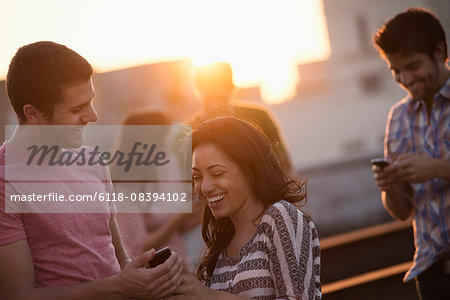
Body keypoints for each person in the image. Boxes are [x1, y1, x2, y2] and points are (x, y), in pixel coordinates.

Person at [0, 41, 183, 299]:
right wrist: (120, 285)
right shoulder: (4, 180)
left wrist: (142, 276)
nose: (93, 116)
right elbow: (17, 295)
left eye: (90, 101)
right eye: (76, 109)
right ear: (33, 113)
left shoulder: (92, 160)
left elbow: (119, 261)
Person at [168, 117, 321, 300]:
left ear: (250, 170)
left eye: (217, 173)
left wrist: (211, 296)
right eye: (197, 177)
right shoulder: (222, 240)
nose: (204, 187)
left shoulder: (280, 217)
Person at [372, 7, 450, 299]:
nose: (405, 77)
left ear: (440, 51)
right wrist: (389, 186)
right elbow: (402, 211)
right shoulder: (398, 116)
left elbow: (434, 170)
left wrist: (437, 169)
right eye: (395, 70)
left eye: (413, 66)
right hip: (431, 275)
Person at [112, 109, 201, 268]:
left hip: (181, 264)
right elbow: (141, 247)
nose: (170, 138)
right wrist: (178, 217)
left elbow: (178, 230)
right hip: (153, 275)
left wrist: (203, 208)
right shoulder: (123, 189)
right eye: (165, 132)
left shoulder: (168, 167)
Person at [186, 62, 294, 174]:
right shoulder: (187, 130)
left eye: (220, 98)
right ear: (197, 92)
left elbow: (283, 165)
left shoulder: (260, 117)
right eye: (209, 99)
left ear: (232, 89)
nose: (215, 105)